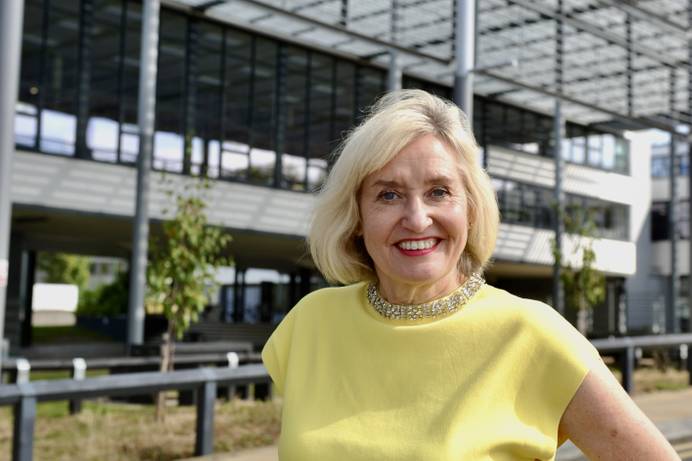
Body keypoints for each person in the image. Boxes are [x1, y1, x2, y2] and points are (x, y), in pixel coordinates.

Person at [261, 90, 679, 460]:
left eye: (439, 192)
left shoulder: (530, 333)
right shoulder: (310, 323)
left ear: (471, 208)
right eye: (388, 194)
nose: (417, 217)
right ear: (356, 217)